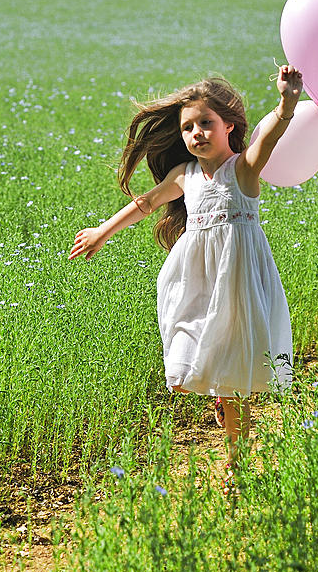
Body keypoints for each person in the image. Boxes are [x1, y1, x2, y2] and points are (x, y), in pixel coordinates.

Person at [69, 65, 303, 489]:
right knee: (189, 337)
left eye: (206, 123)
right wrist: (102, 232)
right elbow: (146, 203)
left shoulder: (243, 169)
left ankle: (235, 462)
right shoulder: (186, 176)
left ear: (229, 126)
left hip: (237, 277)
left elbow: (269, 135)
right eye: (188, 127)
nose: (197, 133)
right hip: (194, 277)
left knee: (236, 368)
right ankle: (216, 392)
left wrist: (287, 103)